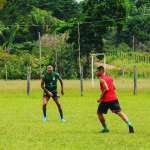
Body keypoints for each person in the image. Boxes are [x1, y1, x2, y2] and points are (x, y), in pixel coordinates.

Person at [96, 66, 134, 133]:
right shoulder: (110, 78)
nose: (96, 73)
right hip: (113, 98)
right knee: (119, 112)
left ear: (101, 71)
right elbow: (113, 87)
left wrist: (100, 98)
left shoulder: (101, 79)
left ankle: (105, 128)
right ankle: (129, 124)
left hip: (106, 100)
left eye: (97, 71)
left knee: (99, 113)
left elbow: (106, 88)